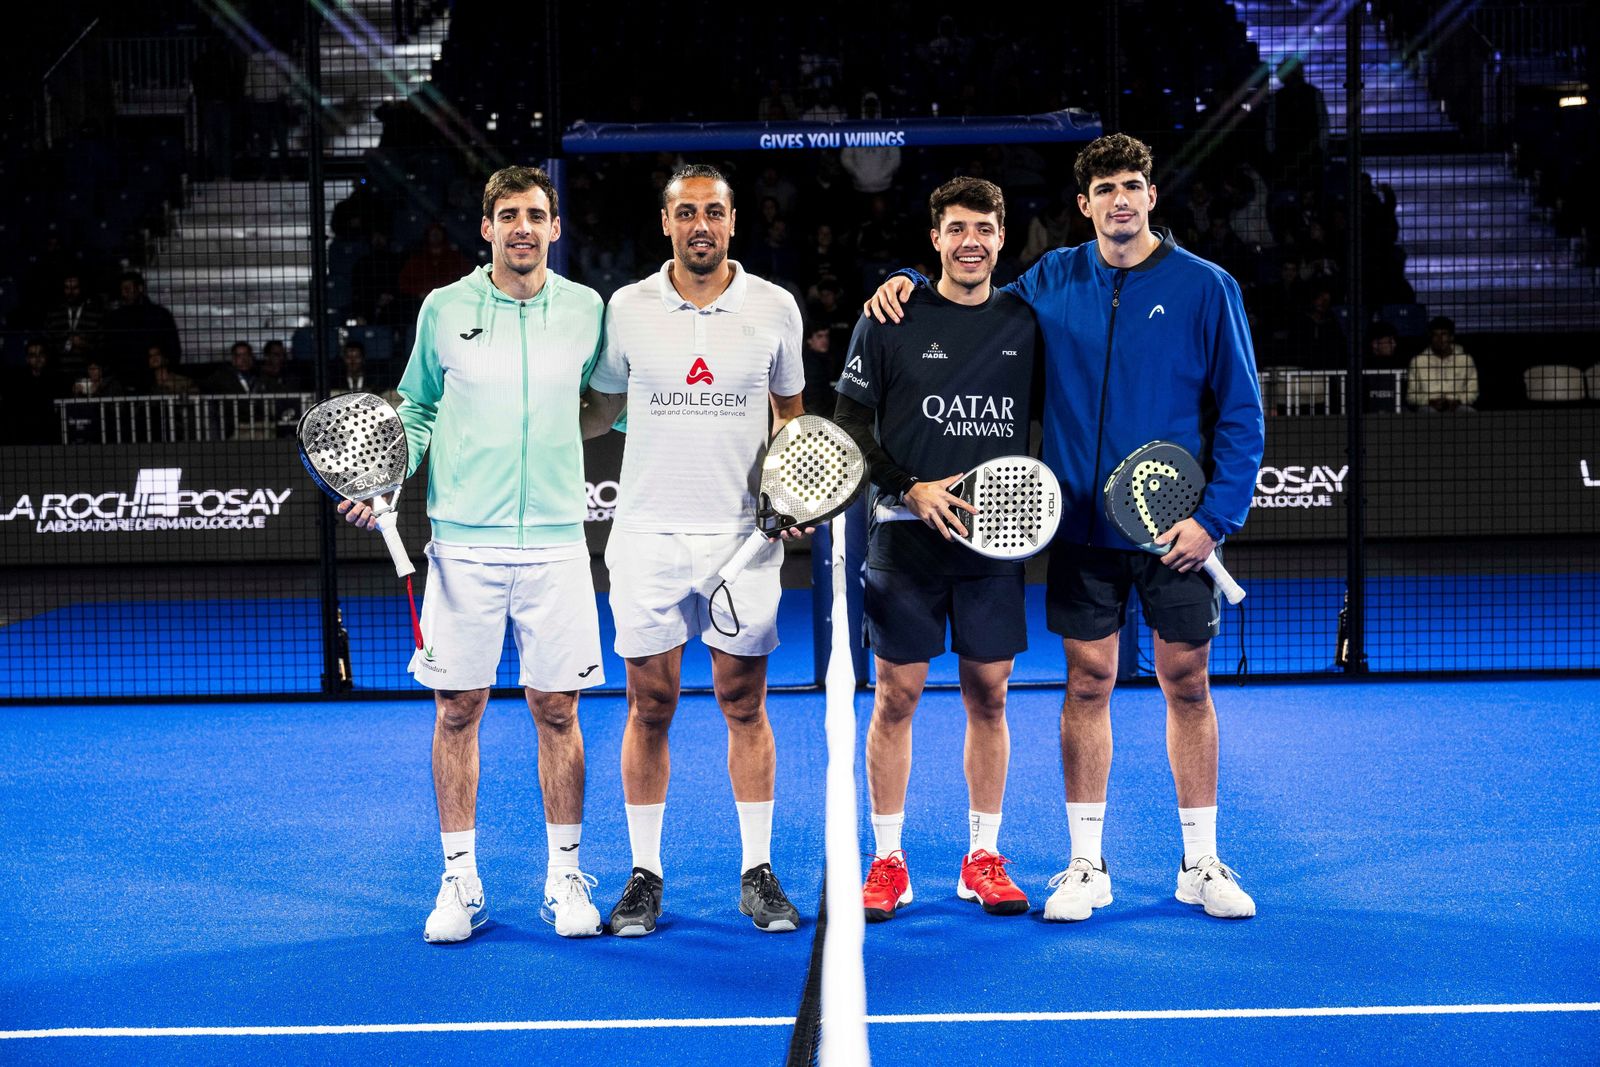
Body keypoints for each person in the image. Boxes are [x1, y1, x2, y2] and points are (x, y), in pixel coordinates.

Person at [867, 133, 1265, 922]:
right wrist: (909, 280)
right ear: (1084, 204)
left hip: (1176, 531)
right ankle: (1086, 864)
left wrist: (1213, 519)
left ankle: (1201, 861)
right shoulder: (1051, 279)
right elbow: (970, 292)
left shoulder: (1207, 287)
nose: (1121, 199)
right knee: (1087, 683)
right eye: (1105, 188)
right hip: (1081, 530)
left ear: (1152, 195)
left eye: (1133, 184)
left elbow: (1242, 414)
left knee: (1188, 682)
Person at [339, 165, 613, 943]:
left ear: (555, 227)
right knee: (457, 709)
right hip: (462, 545)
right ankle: (459, 878)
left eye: (535, 214)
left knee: (557, 709)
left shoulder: (587, 310)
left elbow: (610, 404)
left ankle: (565, 875)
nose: (523, 227)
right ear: (487, 227)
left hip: (557, 544)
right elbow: (418, 407)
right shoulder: (444, 307)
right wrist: (387, 474)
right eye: (508, 215)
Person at [586, 164, 808, 937]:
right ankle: (644, 875)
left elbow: (790, 415)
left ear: (733, 221)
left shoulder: (775, 307)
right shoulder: (627, 308)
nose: (701, 225)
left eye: (714, 211)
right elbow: (601, 407)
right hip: (646, 535)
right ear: (666, 222)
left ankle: (758, 871)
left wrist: (792, 488)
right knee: (649, 703)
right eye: (686, 213)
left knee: (743, 701)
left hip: (741, 539)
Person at [834, 176, 1039, 923]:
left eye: (983, 229)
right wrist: (908, 487)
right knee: (896, 698)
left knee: (991, 696)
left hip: (995, 541)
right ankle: (888, 861)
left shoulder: (1026, 322)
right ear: (935, 239)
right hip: (904, 538)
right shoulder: (889, 317)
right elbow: (849, 426)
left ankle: (983, 857)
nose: (970, 242)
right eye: (956, 229)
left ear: (1001, 237)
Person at [1405, 315, 1478, 413]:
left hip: (1457, 406)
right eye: (1435, 335)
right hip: (1429, 407)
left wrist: (1459, 401)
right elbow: (1411, 396)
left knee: (1469, 412)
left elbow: (1473, 391)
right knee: (1429, 412)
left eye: (1444, 334)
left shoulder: (1466, 360)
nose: (1440, 339)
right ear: (1431, 338)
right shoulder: (1418, 361)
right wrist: (1429, 401)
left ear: (1451, 337)